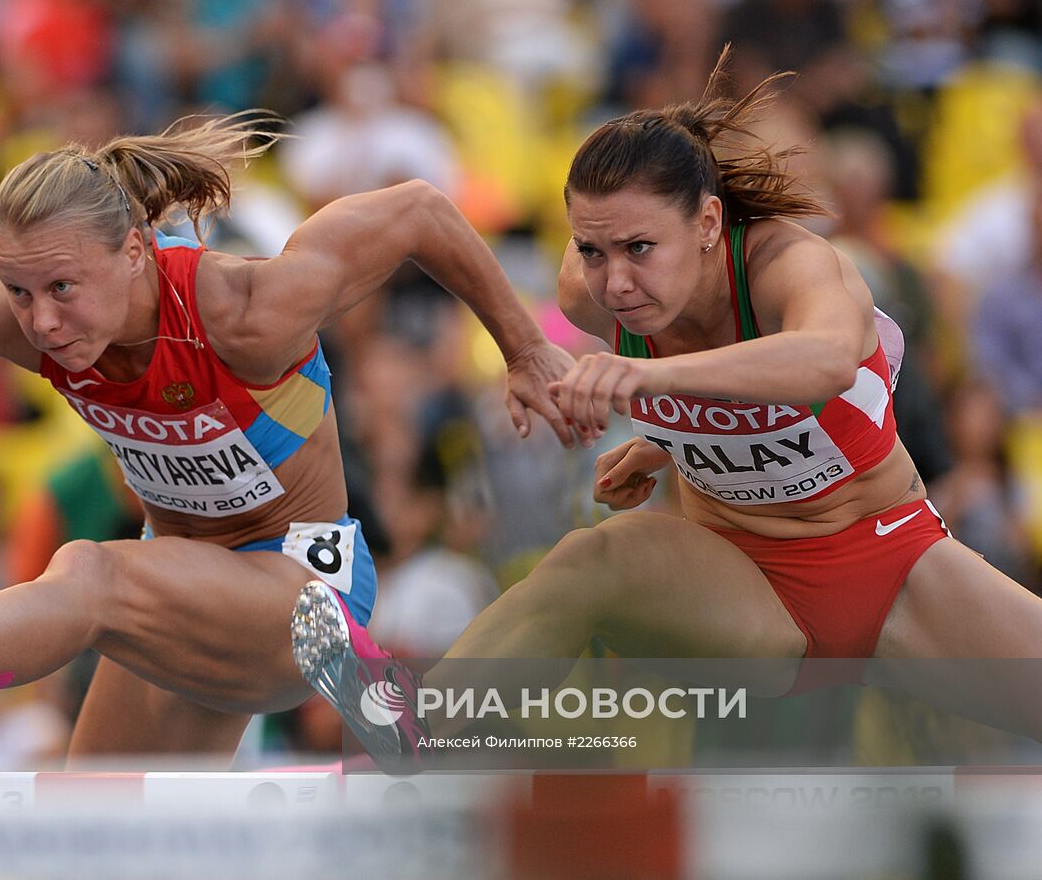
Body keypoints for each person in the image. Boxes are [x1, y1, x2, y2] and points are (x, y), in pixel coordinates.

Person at [0, 114, 574, 759]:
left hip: (307, 590)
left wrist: (526, 349)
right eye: (18, 291)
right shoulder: (21, 320)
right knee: (91, 825)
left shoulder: (246, 309)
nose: (42, 321)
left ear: (135, 249)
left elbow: (418, 207)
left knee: (87, 573)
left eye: (63, 288)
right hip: (181, 588)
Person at [292, 50, 1042, 764]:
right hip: (740, 583)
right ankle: (417, 726)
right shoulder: (591, 297)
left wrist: (655, 391)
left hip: (888, 565)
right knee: (595, 555)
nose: (614, 282)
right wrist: (539, 361)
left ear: (710, 225)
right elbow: (427, 217)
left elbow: (825, 361)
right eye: (591, 250)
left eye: (639, 249)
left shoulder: (790, 265)